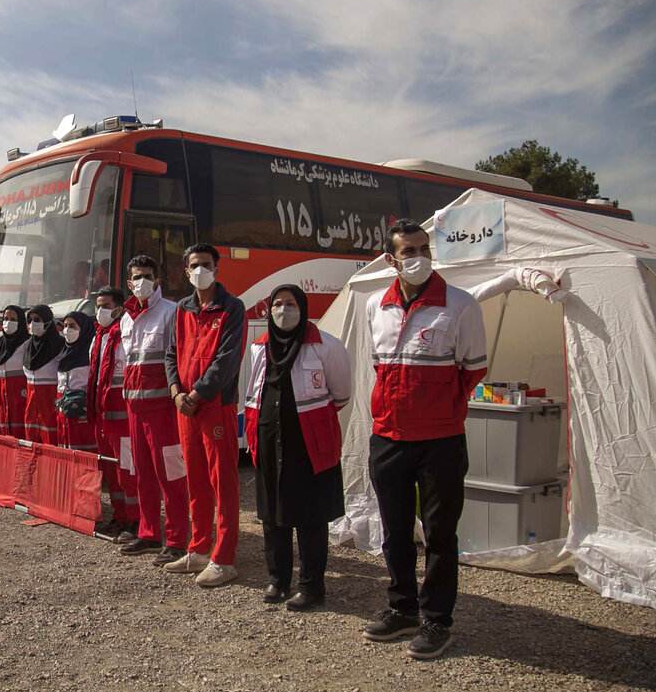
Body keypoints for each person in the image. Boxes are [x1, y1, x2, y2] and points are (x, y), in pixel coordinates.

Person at [362, 219, 488, 661]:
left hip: (440, 441)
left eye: (423, 248)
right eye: (407, 251)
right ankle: (403, 609)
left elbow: (472, 370)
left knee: (439, 534)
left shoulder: (461, 305)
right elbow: (379, 365)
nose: (417, 257)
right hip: (389, 438)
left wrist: (435, 406)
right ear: (389, 259)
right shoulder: (376, 304)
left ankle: (437, 620)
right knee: (395, 533)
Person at [245, 285, 352, 610]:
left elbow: (341, 394)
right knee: (272, 516)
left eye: (290, 304)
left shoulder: (326, 346)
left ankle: (311, 586)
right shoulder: (259, 348)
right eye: (277, 304)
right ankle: (278, 579)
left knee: (309, 517)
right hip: (268, 440)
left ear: (303, 308)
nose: (283, 309)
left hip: (308, 444)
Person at [164, 243, 247, 588]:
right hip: (186, 407)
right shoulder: (182, 309)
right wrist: (176, 393)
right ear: (186, 271)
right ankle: (198, 549)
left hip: (214, 405)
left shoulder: (232, 307)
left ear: (217, 268)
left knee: (222, 482)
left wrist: (195, 394)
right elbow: (170, 354)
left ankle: (224, 558)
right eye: (195, 265)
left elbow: (226, 362)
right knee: (195, 479)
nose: (201, 270)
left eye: (207, 264)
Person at [118, 255, 189, 567]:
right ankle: (149, 533)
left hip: (163, 410)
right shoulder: (125, 318)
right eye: (136, 276)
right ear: (128, 281)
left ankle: (176, 539)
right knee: (142, 473)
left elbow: (178, 361)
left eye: (147, 275)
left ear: (158, 279)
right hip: (134, 409)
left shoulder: (171, 313)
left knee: (171, 476)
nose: (141, 281)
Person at [88, 286, 139, 540]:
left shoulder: (127, 334)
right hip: (103, 418)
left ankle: (135, 520)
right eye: (98, 305)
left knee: (127, 471)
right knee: (111, 470)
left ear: (119, 308)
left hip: (123, 417)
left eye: (106, 305)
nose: (100, 311)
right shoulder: (99, 336)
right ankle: (120, 517)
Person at [55, 311, 97, 455]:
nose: (67, 330)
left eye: (73, 326)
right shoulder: (64, 352)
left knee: (85, 453)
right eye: (65, 326)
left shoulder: (91, 351)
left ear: (84, 328)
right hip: (64, 412)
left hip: (82, 412)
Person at [22, 304, 62, 446]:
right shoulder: (28, 346)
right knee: (32, 443)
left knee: (51, 442)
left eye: (37, 319)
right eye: (30, 320)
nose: (33, 324)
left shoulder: (59, 344)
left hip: (51, 405)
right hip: (32, 406)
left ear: (48, 320)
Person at [0, 305, 29, 437]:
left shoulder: (27, 343)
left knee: (21, 433)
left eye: (13, 319)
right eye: (5, 318)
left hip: (21, 395)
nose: (8, 322)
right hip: (4, 396)